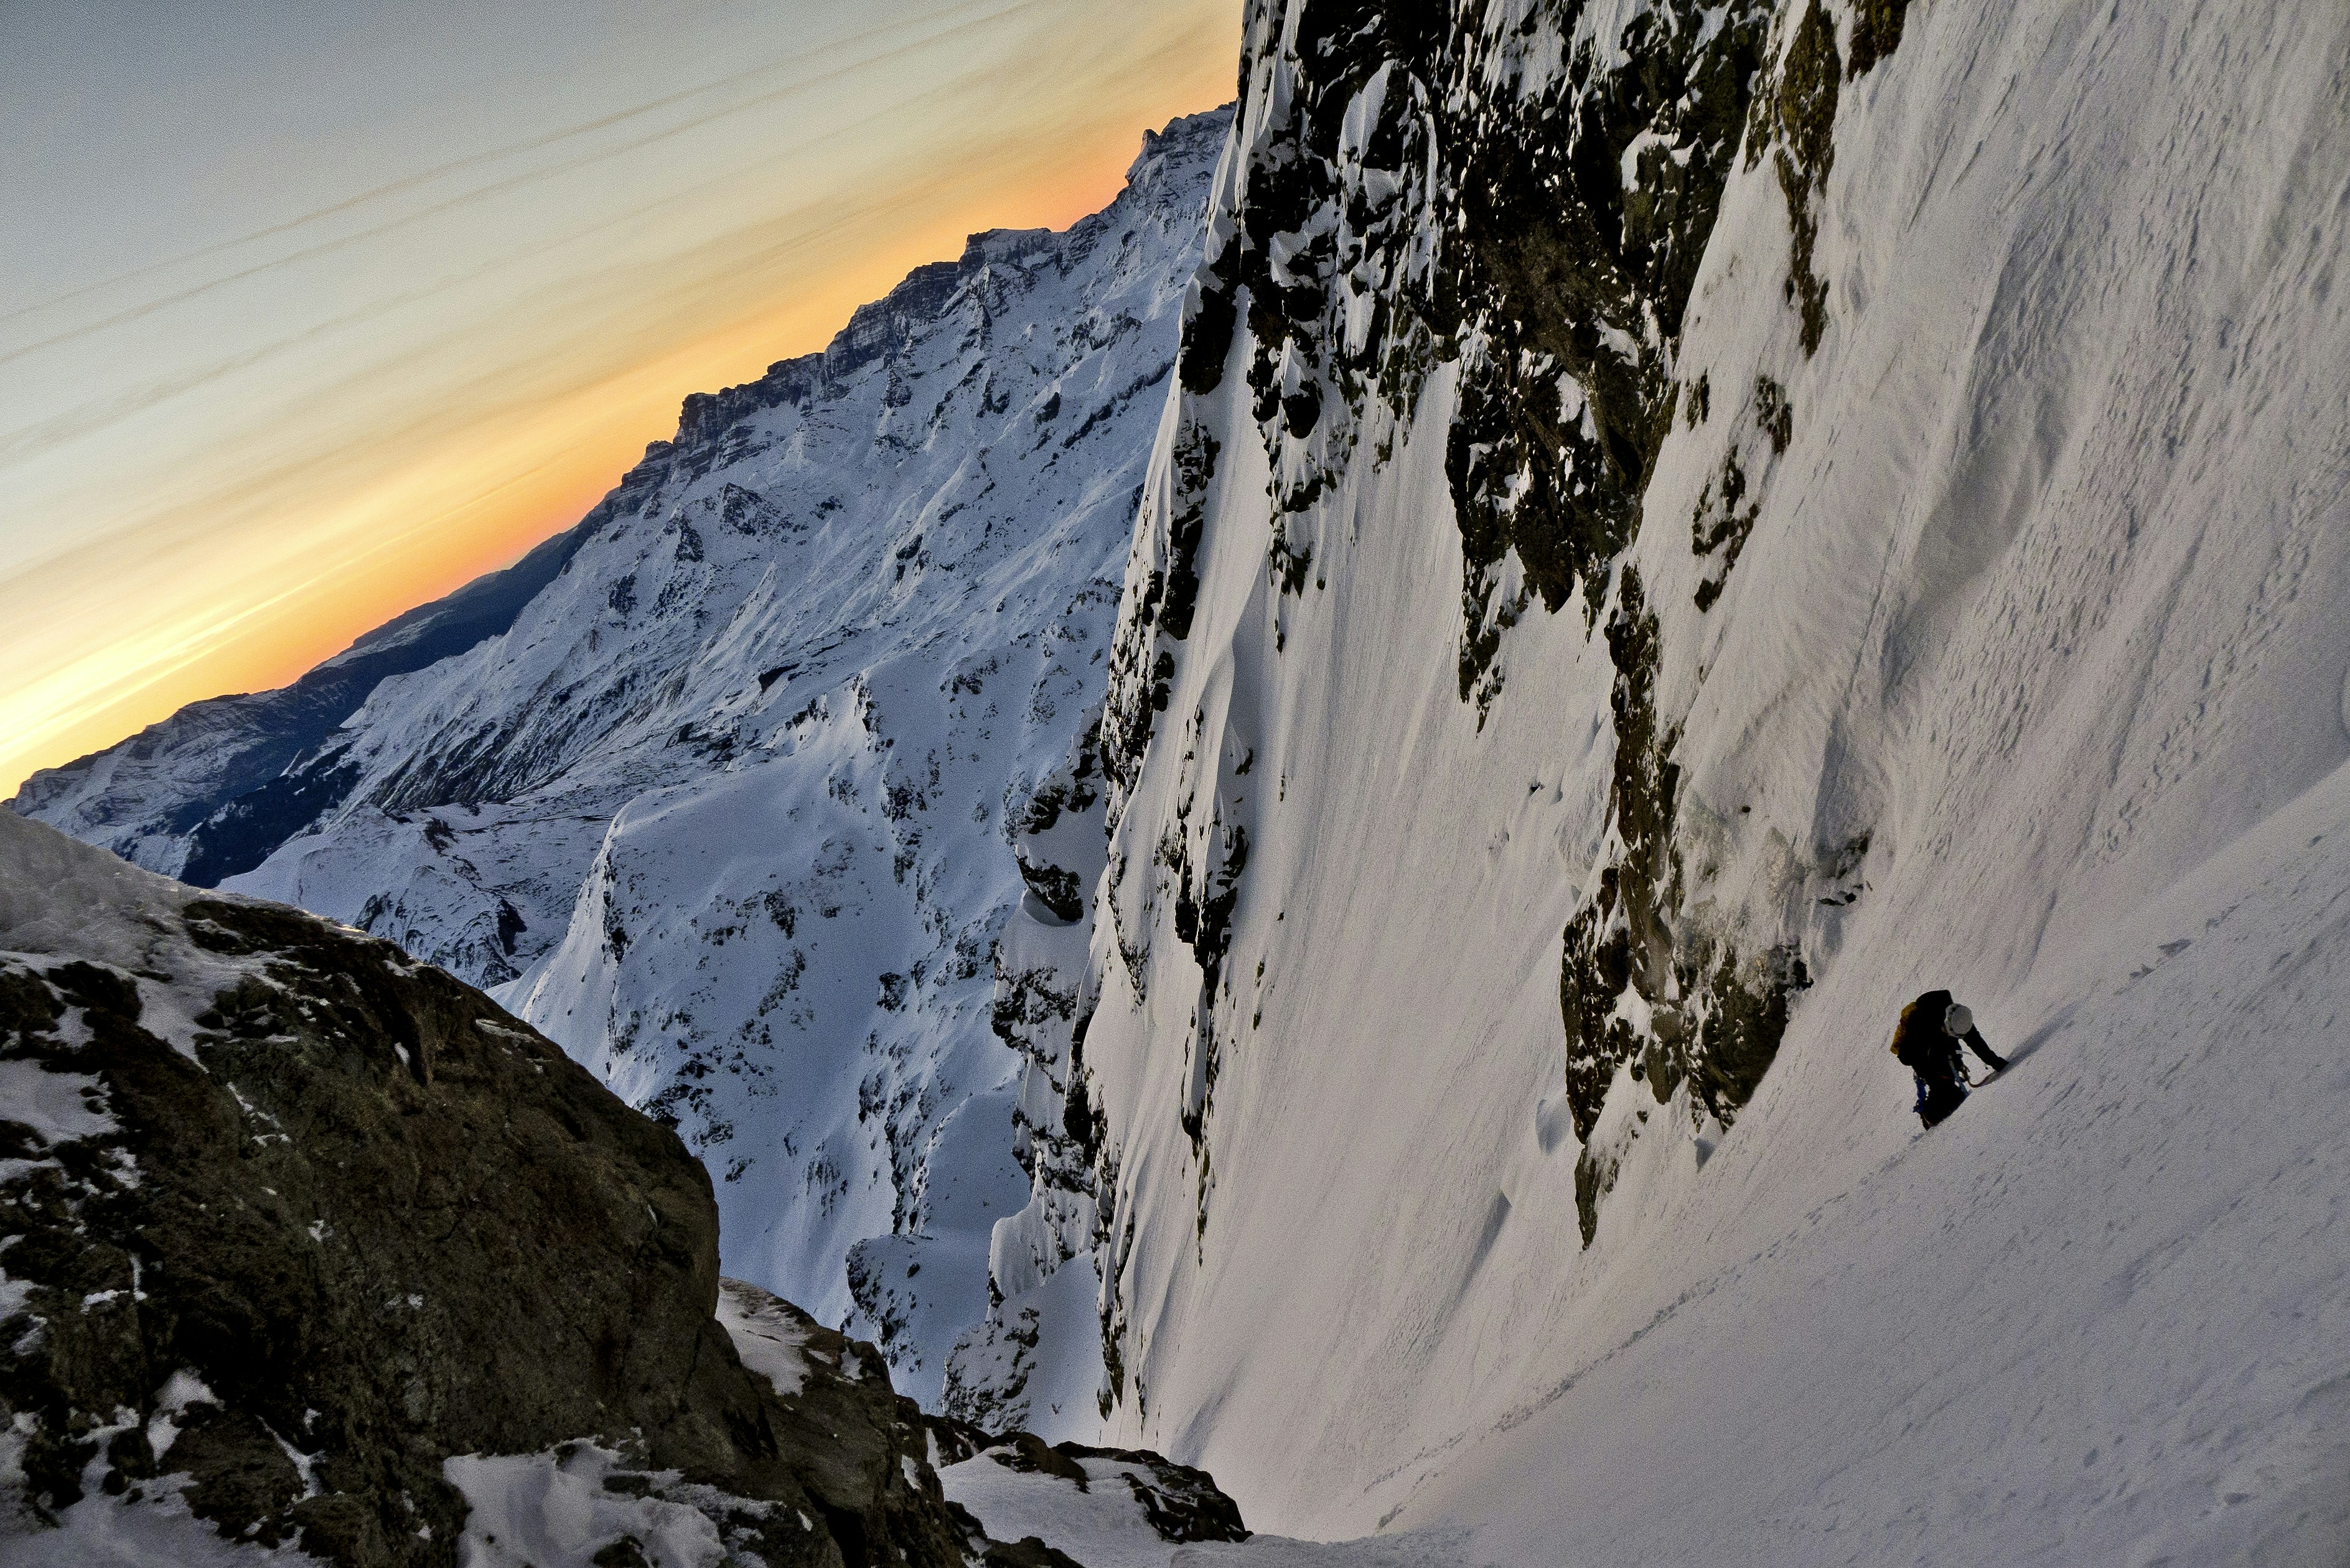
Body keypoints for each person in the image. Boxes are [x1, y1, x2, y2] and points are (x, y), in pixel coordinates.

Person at [1888, 989, 2008, 1129]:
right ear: (1944, 1025)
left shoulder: (1959, 1017)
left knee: (1953, 1091)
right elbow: (1906, 1057)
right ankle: (1930, 1117)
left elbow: (1975, 1041)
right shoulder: (1920, 1023)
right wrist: (1934, 1077)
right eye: (1951, 1034)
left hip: (1941, 1048)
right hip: (1921, 1056)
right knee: (1944, 1090)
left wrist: (1996, 1062)